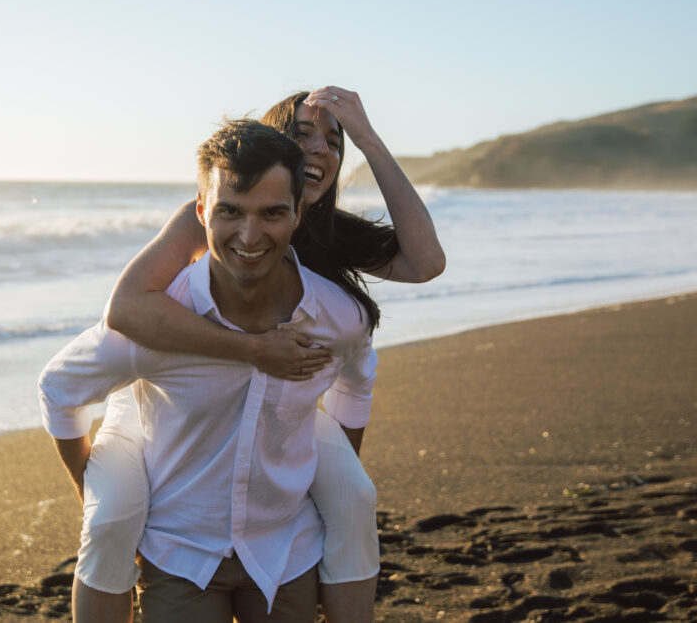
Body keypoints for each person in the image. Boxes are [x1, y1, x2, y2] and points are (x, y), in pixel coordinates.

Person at [71, 87, 446, 622]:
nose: (320, 149)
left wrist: (366, 136)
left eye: (333, 141)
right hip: (177, 397)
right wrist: (253, 350)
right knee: (110, 521)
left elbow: (426, 261)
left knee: (354, 498)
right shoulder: (213, 216)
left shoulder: (333, 232)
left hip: (287, 396)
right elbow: (127, 307)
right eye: (303, 135)